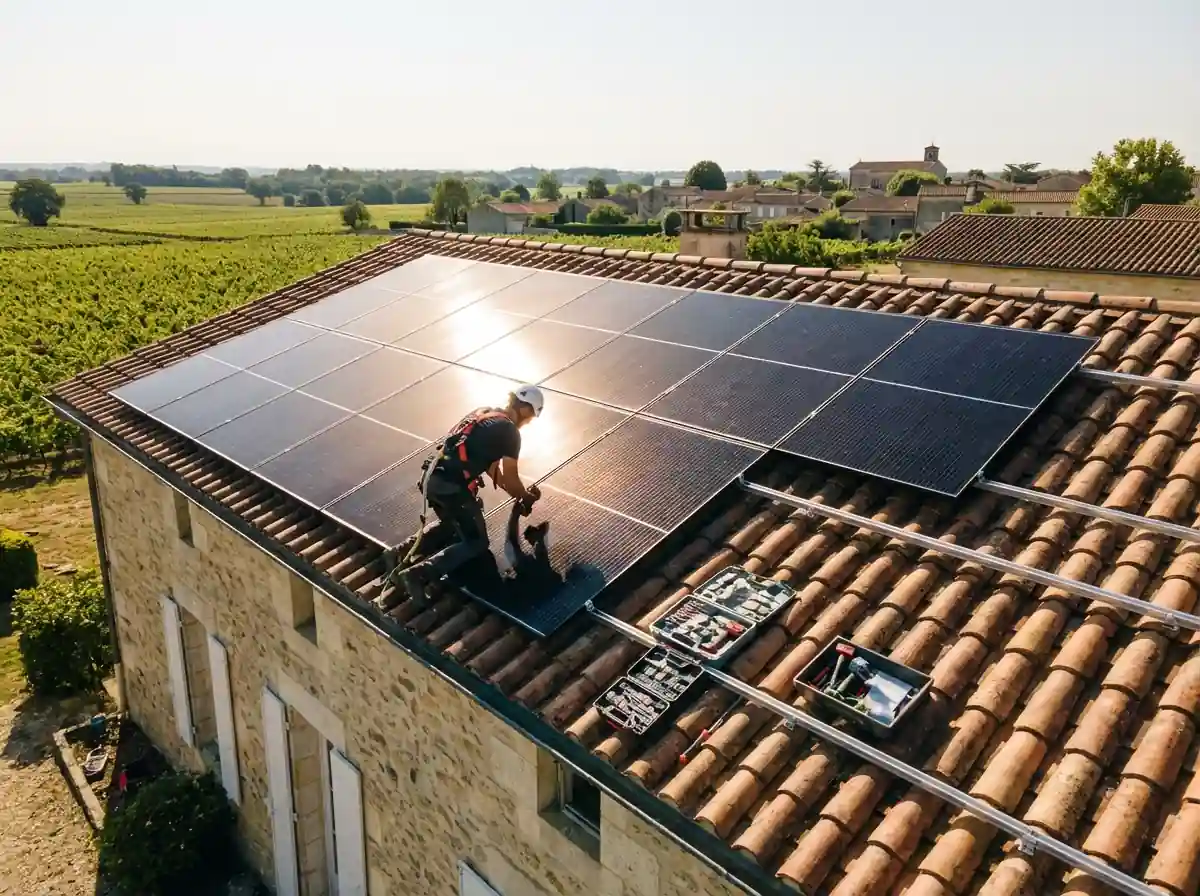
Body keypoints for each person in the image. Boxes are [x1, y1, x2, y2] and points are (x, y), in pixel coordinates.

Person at [390, 385, 544, 609]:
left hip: (431, 477)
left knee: (453, 525)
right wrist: (525, 497)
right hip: (452, 486)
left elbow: (494, 472)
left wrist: (519, 496)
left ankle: (398, 552)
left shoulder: (483, 413)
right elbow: (510, 476)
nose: (528, 422)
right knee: (476, 541)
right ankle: (420, 574)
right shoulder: (510, 432)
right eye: (530, 416)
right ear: (525, 409)